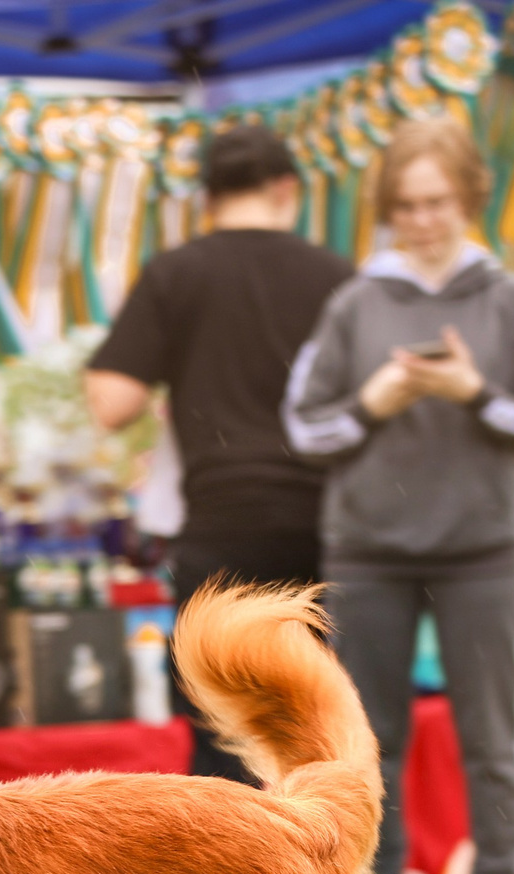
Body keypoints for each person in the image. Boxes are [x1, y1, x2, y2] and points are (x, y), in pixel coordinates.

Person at [281, 117, 514, 874]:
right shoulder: (354, 304)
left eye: (437, 202)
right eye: (405, 205)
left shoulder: (512, 301)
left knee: (490, 732)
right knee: (368, 742)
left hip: (482, 547)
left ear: (469, 199)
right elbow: (305, 428)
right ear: (387, 211)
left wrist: (472, 390)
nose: (423, 220)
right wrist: (375, 403)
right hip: (368, 547)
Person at [84, 122, 355, 782]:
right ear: (286, 189)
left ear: (207, 198)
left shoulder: (176, 274)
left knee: (225, 734)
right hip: (325, 532)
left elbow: (110, 402)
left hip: (221, 527)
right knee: (322, 738)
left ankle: (236, 850)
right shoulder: (338, 278)